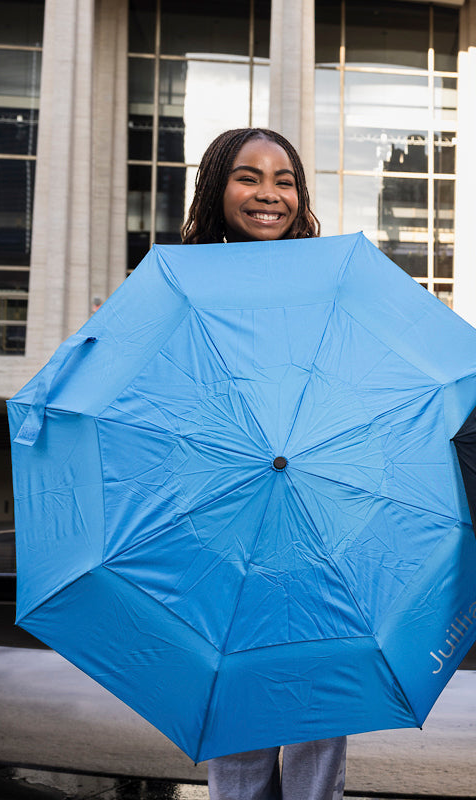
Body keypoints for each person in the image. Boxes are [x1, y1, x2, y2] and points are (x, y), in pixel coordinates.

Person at [181, 127, 346, 800]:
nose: (269, 194)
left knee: (317, 736)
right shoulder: (181, 284)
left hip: (314, 529)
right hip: (224, 535)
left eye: (284, 180)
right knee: (239, 742)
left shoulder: (329, 283)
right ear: (218, 186)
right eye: (249, 177)